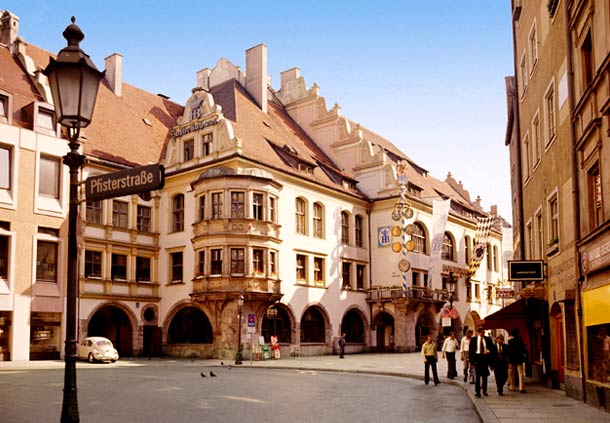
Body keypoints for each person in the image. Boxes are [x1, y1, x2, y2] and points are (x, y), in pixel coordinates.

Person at [469, 326, 495, 398]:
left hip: (485, 358)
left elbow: (492, 348)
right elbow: (471, 351)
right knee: (477, 376)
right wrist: (471, 361)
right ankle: (477, 392)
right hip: (477, 358)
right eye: (481, 332)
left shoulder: (487, 339)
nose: (483, 334)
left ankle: (484, 391)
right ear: (478, 332)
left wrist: (488, 352)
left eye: (483, 332)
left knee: (485, 375)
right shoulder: (474, 339)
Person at [507, 328, 527, 393]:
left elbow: (509, 351)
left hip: (512, 358)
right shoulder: (520, 340)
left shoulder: (510, 341)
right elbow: (524, 349)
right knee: (520, 372)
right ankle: (521, 388)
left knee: (511, 373)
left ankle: (512, 386)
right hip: (519, 358)